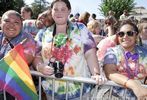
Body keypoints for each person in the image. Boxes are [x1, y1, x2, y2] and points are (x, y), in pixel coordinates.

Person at [35, 0, 103, 99]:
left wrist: (96, 74)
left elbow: (90, 53)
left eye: (63, 9)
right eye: (56, 9)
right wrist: (40, 67)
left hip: (79, 91)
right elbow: (36, 55)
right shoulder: (43, 33)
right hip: (51, 90)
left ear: (69, 11)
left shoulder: (80, 29)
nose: (59, 12)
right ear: (51, 11)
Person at [0, 10, 41, 100]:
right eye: (7, 21)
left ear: (21, 25)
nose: (11, 25)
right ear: (0, 22)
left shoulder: (27, 39)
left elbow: (18, 63)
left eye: (16, 22)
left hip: (14, 90)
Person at [102, 21, 147, 99]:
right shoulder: (112, 52)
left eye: (130, 33)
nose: (125, 37)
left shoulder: (145, 52)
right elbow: (110, 73)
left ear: (136, 35)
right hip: (115, 96)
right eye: (121, 34)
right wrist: (134, 85)